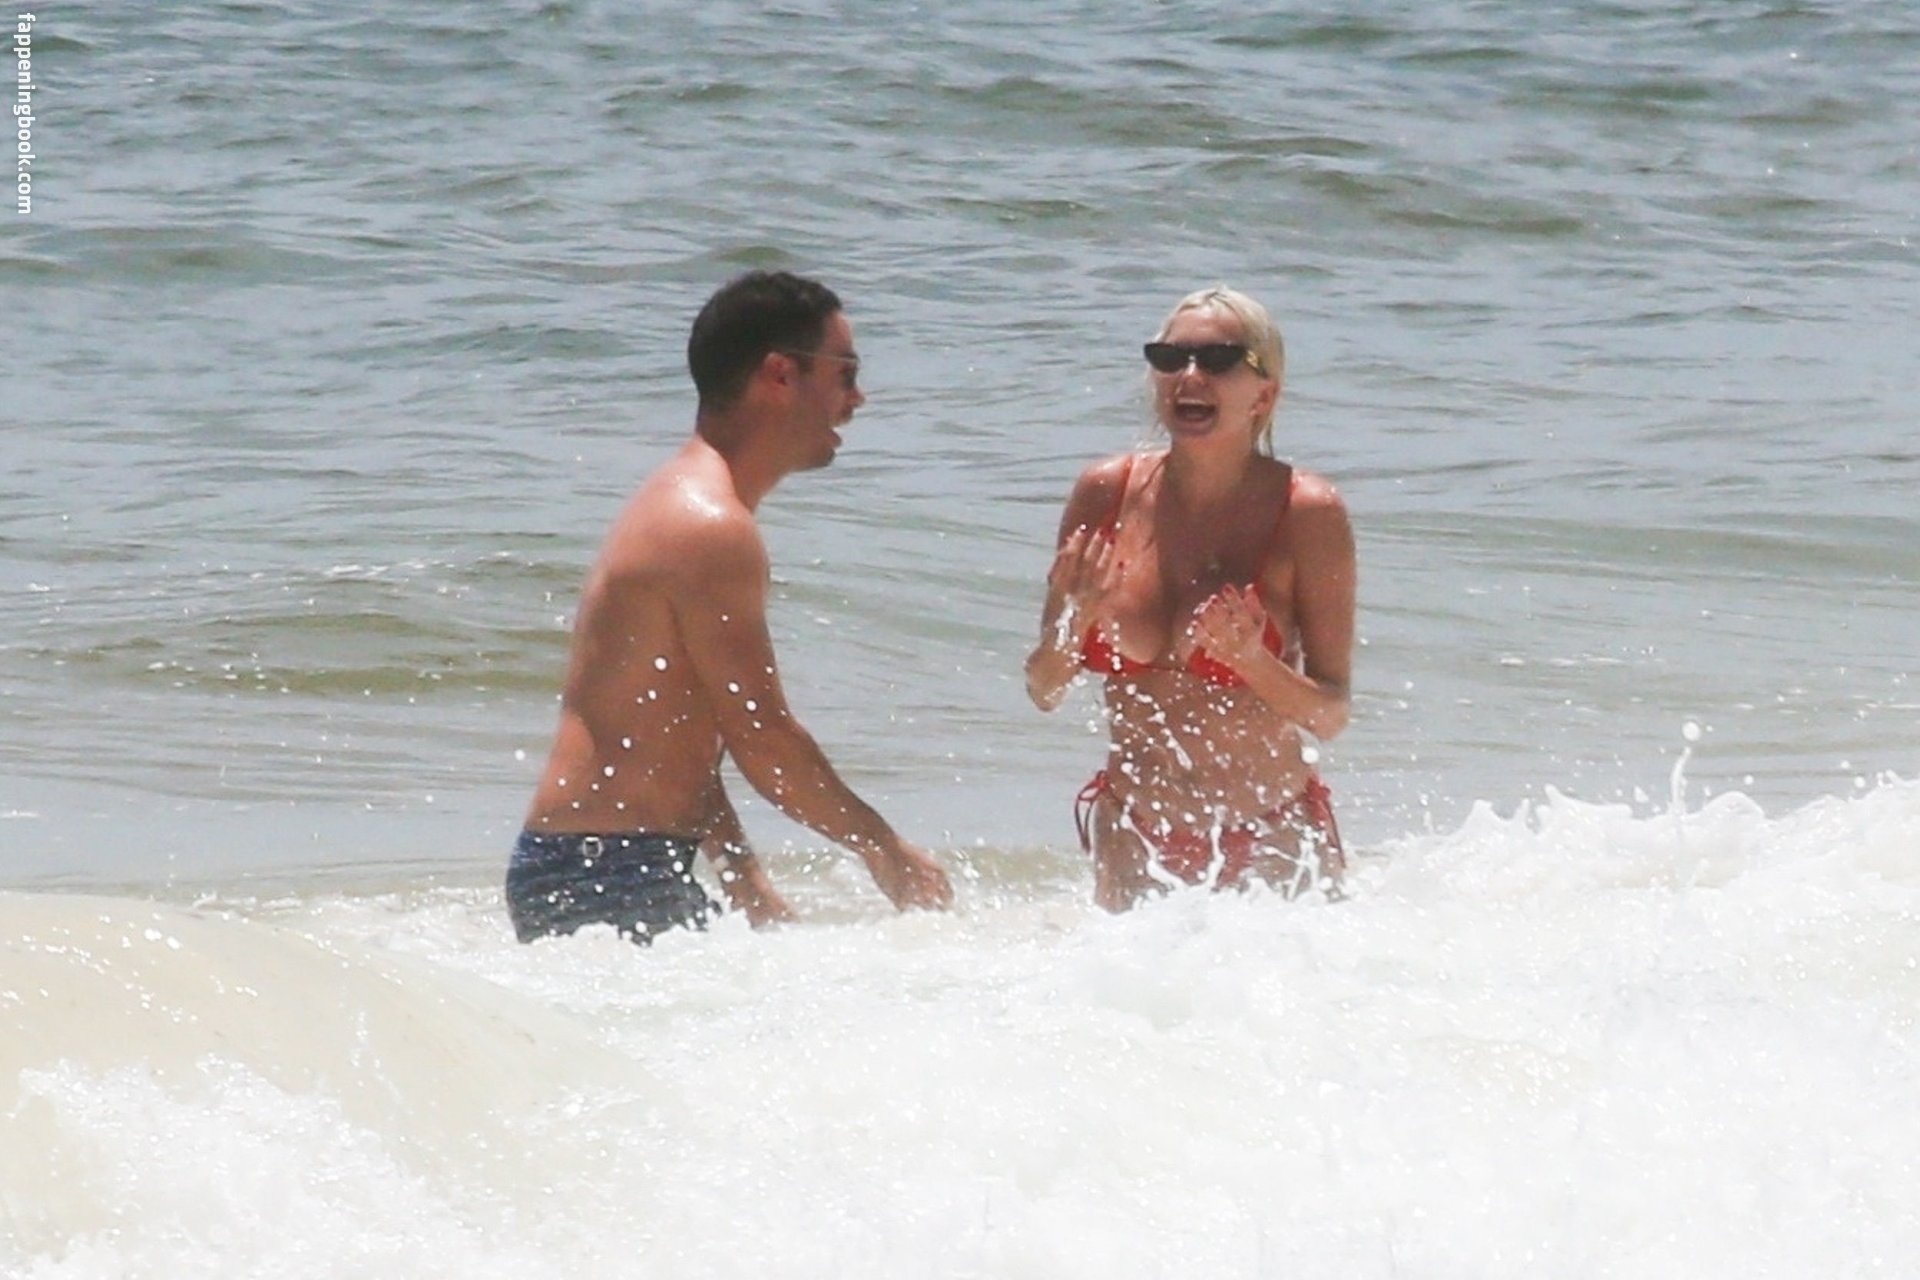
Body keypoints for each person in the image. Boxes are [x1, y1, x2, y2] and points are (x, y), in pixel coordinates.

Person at [508, 271, 953, 944]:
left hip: (600, 863)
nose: (857, 398)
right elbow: (764, 738)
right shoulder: (707, 526)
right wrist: (883, 848)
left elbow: (684, 726)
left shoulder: (689, 506)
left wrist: (746, 881)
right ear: (780, 375)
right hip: (608, 871)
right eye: (845, 373)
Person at [1024, 286, 1356, 911]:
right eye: (1170, 359)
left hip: (1272, 830)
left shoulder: (1307, 511)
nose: (1189, 376)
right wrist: (1077, 619)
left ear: (1264, 395)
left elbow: (1331, 714)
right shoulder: (1104, 492)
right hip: (1134, 830)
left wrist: (1252, 662)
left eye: (1218, 360)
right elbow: (1043, 688)